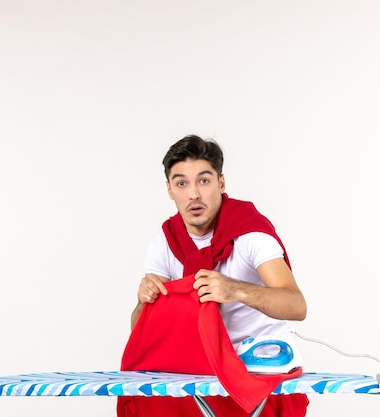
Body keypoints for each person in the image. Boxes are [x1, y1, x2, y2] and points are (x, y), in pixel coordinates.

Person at [125, 134, 309, 416]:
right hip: (197, 369)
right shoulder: (165, 241)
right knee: (150, 397)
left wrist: (235, 290)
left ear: (221, 184)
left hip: (256, 369)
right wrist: (144, 300)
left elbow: (296, 306)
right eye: (182, 183)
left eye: (204, 180)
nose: (194, 194)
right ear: (170, 190)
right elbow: (141, 331)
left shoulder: (250, 233)